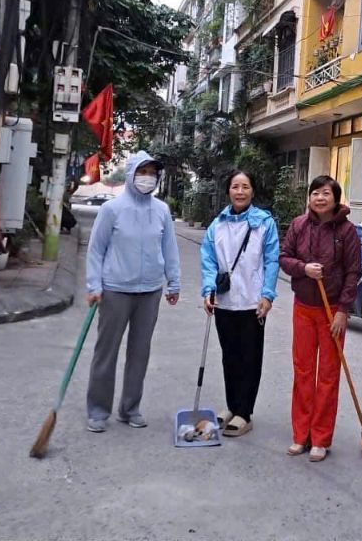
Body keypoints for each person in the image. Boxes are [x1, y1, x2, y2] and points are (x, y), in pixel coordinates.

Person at [85, 151, 181, 433]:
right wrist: (94, 285)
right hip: (115, 289)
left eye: (152, 173)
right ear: (130, 174)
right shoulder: (112, 209)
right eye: (142, 171)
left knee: (140, 352)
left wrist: (173, 282)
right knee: (107, 352)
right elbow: (96, 250)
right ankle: (98, 410)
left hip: (149, 290)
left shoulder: (161, 210)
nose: (147, 178)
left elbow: (169, 249)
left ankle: (130, 408)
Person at [279, 175, 361, 462]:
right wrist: (303, 269)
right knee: (303, 371)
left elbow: (353, 271)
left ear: (335, 198)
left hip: (332, 311)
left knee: (327, 375)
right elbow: (284, 257)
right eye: (315, 193)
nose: (320, 198)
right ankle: (301, 434)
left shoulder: (347, 231)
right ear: (309, 198)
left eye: (326, 193)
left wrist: (342, 311)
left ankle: (321, 437)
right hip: (303, 307)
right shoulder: (299, 225)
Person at [200, 169, 279, 437]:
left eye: (245, 186)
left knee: (249, 358)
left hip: (252, 302)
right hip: (225, 302)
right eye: (235, 186)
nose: (240, 191)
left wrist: (267, 295)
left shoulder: (264, 223)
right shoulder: (217, 225)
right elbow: (208, 259)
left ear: (253, 191)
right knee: (229, 357)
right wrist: (208, 289)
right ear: (228, 191)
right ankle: (232, 405)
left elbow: (272, 260)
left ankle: (245, 412)